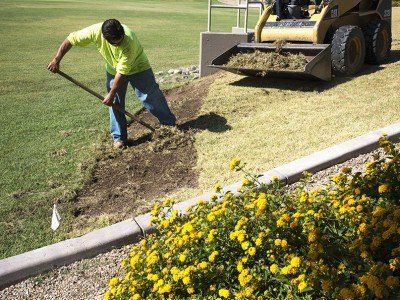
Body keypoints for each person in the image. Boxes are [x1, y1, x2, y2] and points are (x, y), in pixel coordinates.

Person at [47, 19, 176, 148]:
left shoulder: (129, 40)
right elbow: (70, 39)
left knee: (150, 96)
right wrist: (56, 60)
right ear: (105, 38)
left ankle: (169, 125)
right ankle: (119, 138)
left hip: (138, 66)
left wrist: (111, 92)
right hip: (113, 69)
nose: (120, 44)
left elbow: (122, 71)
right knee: (115, 103)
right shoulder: (94, 32)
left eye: (121, 40)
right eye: (116, 43)